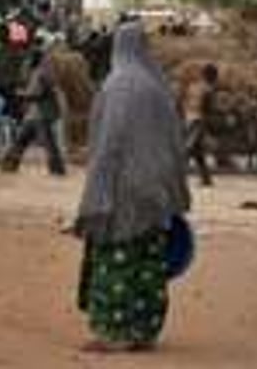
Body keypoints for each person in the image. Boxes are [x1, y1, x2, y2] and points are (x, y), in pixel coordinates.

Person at [75, 22, 190, 353]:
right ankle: (144, 328)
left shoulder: (117, 86)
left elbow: (109, 143)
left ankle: (114, 329)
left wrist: (96, 191)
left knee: (117, 257)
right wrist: (174, 188)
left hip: (123, 187)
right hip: (155, 190)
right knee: (149, 260)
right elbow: (175, 142)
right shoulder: (157, 88)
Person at [1, 49, 66, 175]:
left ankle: (57, 169)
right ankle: (9, 165)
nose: (26, 62)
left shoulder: (41, 73)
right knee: (22, 140)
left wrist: (21, 94)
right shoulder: (40, 72)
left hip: (42, 114)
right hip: (35, 114)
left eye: (29, 59)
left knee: (47, 143)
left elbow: (37, 93)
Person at [183, 63, 220, 187]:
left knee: (197, 151)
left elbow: (185, 102)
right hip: (199, 121)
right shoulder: (209, 89)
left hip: (189, 118)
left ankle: (206, 178)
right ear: (211, 76)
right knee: (189, 149)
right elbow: (209, 109)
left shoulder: (193, 86)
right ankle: (178, 175)